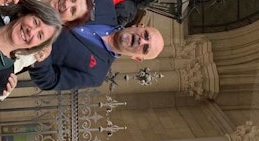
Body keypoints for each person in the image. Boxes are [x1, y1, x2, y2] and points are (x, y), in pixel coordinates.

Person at [28, 22, 164, 91]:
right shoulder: (105, 6)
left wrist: (42, 58)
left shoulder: (96, 75)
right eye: (146, 35)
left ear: (137, 58)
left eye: (145, 48)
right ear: (139, 26)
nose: (141, 41)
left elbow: (49, 81)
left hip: (23, 49)